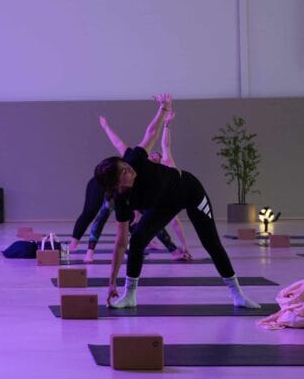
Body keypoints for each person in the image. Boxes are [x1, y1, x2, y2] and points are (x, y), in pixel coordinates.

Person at [93, 94, 259, 310]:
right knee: (137, 241)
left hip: (189, 191)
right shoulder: (121, 200)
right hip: (164, 205)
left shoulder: (135, 160)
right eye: (123, 172)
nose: (129, 169)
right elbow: (120, 243)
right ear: (117, 184)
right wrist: (111, 281)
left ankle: (238, 295)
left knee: (211, 243)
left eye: (126, 166)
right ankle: (129, 296)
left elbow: (151, 133)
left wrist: (164, 108)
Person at [68, 115, 191, 263]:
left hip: (131, 199)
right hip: (116, 195)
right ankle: (89, 252)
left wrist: (184, 245)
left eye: (156, 159)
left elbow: (173, 221)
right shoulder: (135, 160)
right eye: (152, 156)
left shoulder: (153, 179)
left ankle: (171, 250)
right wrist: (106, 127)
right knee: (102, 216)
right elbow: (119, 143)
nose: (153, 158)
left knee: (151, 220)